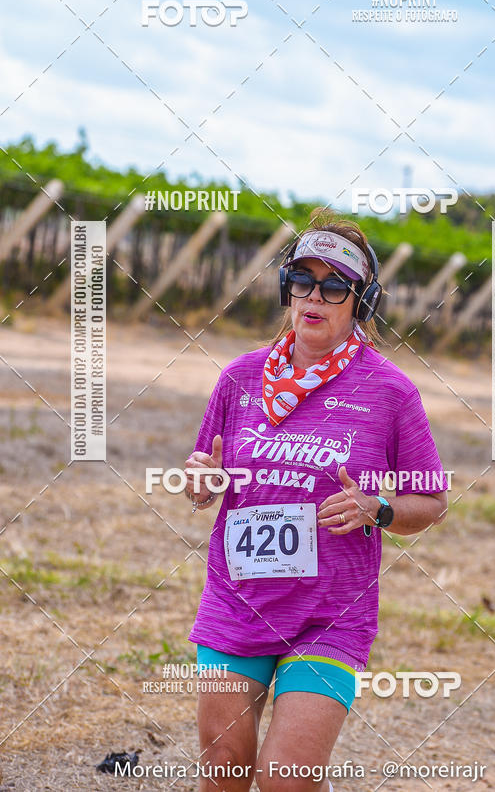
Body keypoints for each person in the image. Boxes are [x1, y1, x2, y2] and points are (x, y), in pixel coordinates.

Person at [184, 208, 448, 792]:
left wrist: (377, 509)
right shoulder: (239, 378)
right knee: (225, 770)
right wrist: (202, 482)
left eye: (335, 287)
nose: (316, 296)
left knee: (286, 779)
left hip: (329, 618)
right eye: (303, 280)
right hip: (237, 605)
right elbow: (207, 478)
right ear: (287, 289)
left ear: (361, 302)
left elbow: (431, 502)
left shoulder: (390, 392)